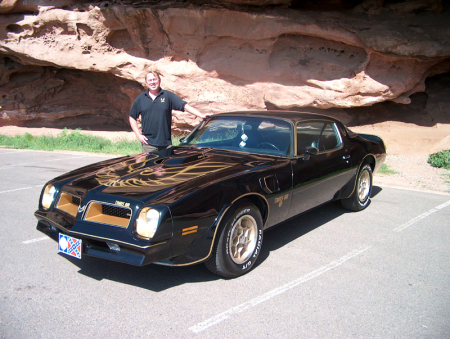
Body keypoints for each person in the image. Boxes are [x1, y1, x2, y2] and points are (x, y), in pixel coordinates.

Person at [129, 71, 206, 153]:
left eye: (155, 79)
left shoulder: (168, 96)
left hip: (166, 144)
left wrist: (201, 115)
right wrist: (138, 135)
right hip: (149, 145)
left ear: (159, 81)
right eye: (150, 80)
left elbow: (184, 106)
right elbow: (132, 117)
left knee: (166, 166)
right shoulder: (141, 99)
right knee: (150, 166)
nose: (153, 82)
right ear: (146, 83)